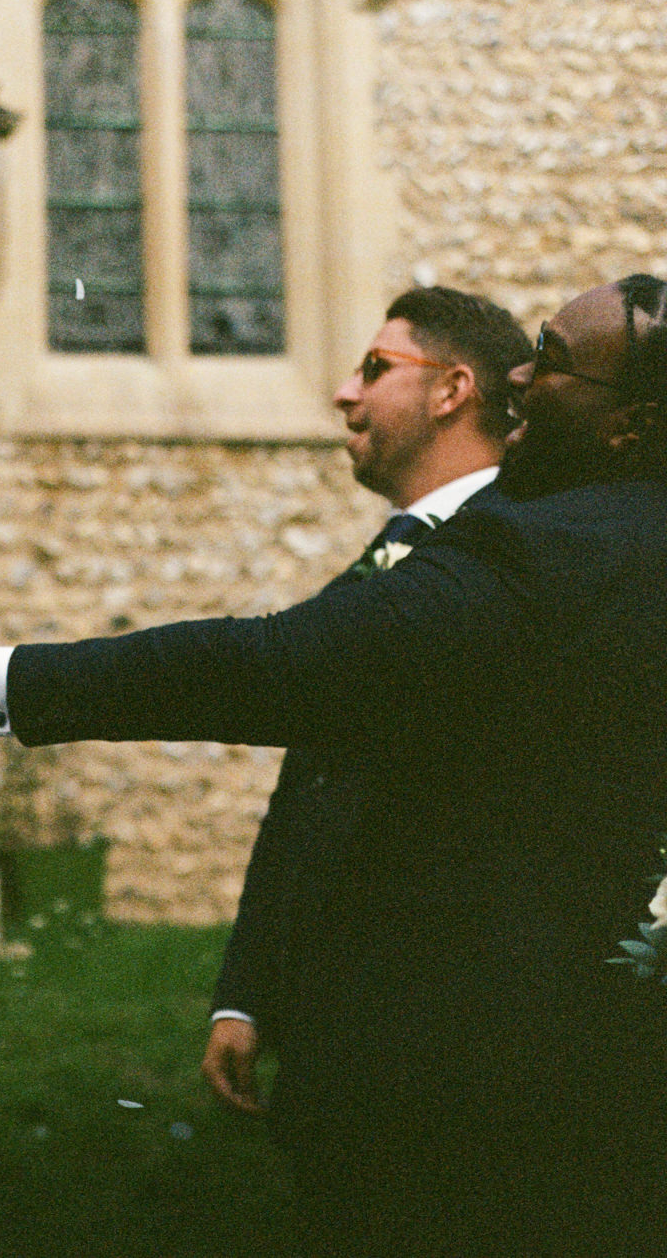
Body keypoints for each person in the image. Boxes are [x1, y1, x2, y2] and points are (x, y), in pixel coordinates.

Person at [0, 277, 667, 1257]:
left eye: (550, 359)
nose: (521, 374)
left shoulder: (534, 556)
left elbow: (270, 668)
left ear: (624, 426)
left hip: (469, 1076)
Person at [202, 292, 527, 1170]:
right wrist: (247, 995)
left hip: (456, 1043)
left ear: (453, 388)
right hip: (337, 1026)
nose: (345, 394)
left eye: (376, 369)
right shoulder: (386, 566)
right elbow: (310, 789)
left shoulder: (522, 556)